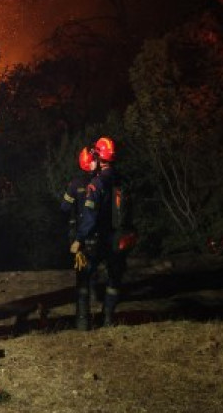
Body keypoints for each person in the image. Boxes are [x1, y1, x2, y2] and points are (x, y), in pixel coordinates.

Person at [70, 137, 133, 330]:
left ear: (99, 156)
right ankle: (108, 320)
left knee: (83, 278)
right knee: (114, 278)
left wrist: (79, 239)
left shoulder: (96, 184)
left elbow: (90, 216)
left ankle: (83, 323)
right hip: (119, 237)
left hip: (97, 239)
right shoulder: (122, 178)